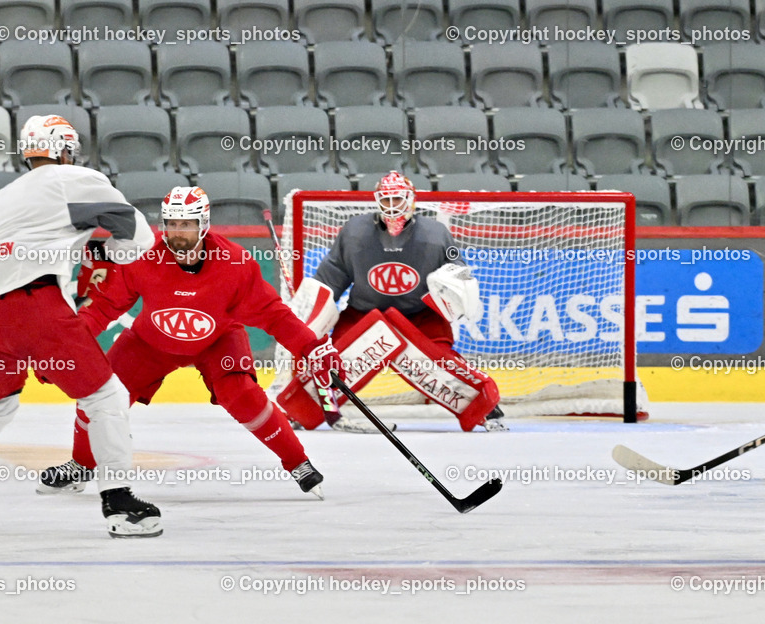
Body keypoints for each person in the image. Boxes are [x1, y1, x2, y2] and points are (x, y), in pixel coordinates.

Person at [0, 114, 163, 538]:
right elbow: (139, 237)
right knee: (105, 396)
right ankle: (120, 502)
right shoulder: (73, 179)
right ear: (65, 151)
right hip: (35, 305)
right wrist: (106, 257)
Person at [37, 186, 344, 499]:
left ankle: (298, 463)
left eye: (186, 224)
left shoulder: (235, 264)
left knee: (242, 394)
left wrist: (312, 347)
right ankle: (80, 464)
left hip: (217, 339)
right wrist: (64, 348)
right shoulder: (141, 255)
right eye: (171, 223)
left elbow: (275, 316)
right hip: (150, 341)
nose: (177, 232)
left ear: (204, 224)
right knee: (100, 392)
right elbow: (103, 307)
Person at [282, 170, 505, 432]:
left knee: (439, 362)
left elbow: (459, 276)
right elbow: (330, 279)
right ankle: (301, 408)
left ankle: (484, 406)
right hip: (363, 314)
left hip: (419, 316)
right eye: (386, 200)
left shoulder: (435, 235)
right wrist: (310, 312)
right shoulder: (354, 232)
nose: (391, 206)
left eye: (397, 199)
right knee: (334, 360)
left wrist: (451, 293)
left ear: (410, 200)